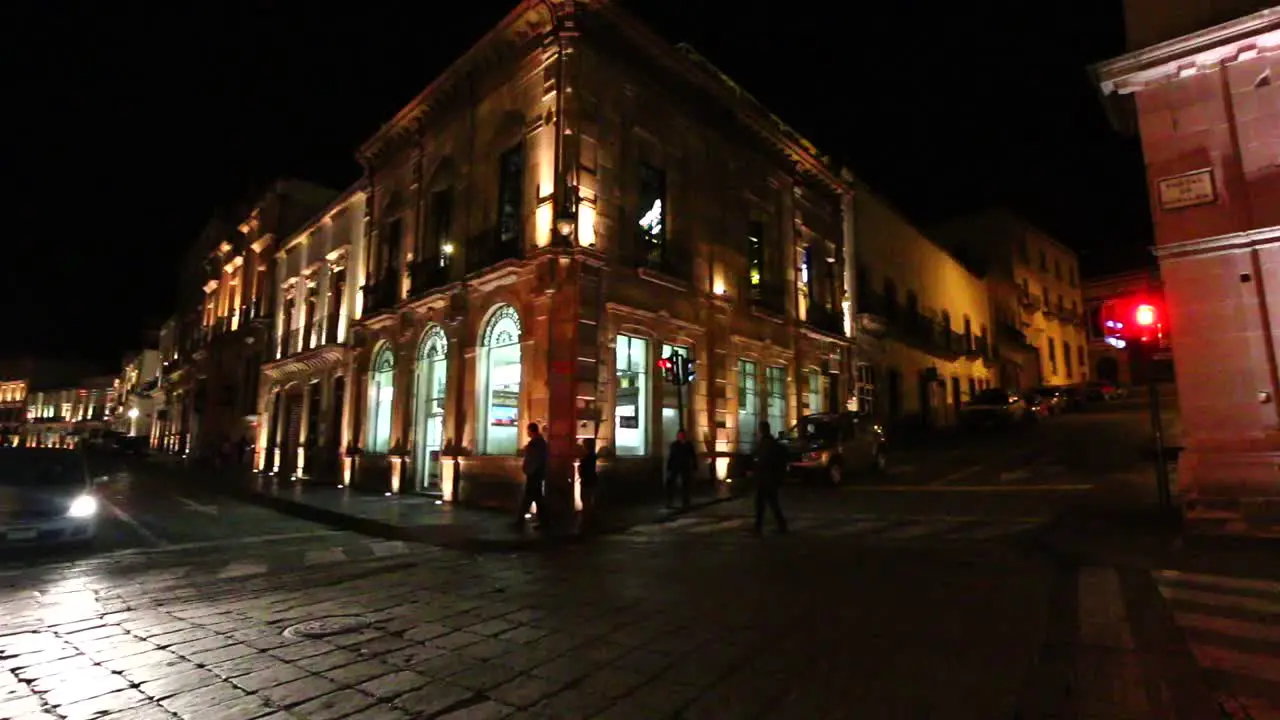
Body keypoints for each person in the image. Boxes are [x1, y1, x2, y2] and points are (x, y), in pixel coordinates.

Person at [753, 420, 788, 534]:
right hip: (770, 478)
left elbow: (763, 460)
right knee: (770, 503)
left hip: (766, 478)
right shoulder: (771, 442)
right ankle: (779, 525)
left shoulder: (766, 443)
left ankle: (760, 527)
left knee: (765, 503)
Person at [516, 422, 547, 525]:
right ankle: (542, 520)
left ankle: (521, 520)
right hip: (537, 474)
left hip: (534, 474)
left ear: (531, 430)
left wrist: (529, 470)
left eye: (528, 430)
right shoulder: (540, 442)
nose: (527, 433)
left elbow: (534, 459)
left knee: (529, 497)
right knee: (536, 498)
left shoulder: (535, 443)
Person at [666, 429, 696, 510]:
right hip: (675, 466)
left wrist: (694, 466)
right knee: (671, 484)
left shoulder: (688, 445)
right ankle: (670, 501)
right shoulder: (674, 445)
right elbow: (671, 456)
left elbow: (693, 456)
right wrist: (668, 467)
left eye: (682, 435)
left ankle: (686, 502)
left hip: (685, 466)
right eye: (679, 435)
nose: (681, 437)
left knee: (686, 484)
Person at [578, 437, 599, 527]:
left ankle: (587, 521)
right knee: (589, 501)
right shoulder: (593, 456)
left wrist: (580, 469)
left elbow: (583, 470)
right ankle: (591, 520)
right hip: (591, 480)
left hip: (586, 481)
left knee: (586, 501)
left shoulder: (586, 457)